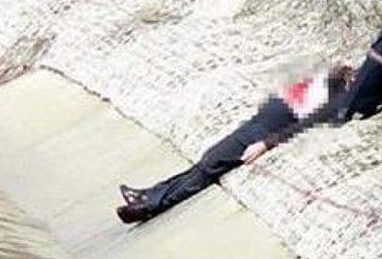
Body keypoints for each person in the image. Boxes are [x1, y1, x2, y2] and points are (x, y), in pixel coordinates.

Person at [116, 64, 357, 224]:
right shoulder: (326, 83)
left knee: (209, 165)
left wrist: (265, 144)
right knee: (206, 161)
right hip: (257, 123)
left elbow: (303, 125)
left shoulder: (334, 100)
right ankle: (147, 195)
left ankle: (151, 206)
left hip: (262, 132)